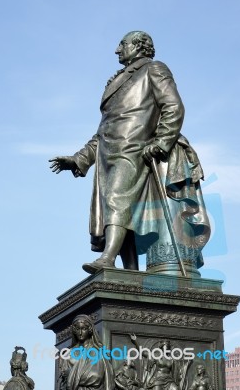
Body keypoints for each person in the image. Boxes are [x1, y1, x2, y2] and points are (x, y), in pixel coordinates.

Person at [49, 31, 210, 275]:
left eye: (122, 44)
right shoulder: (119, 79)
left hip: (135, 147)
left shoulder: (154, 69)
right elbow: (103, 130)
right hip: (109, 153)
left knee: (117, 199)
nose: (117, 49)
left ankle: (107, 258)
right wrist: (79, 159)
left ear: (139, 46)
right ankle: (130, 271)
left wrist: (162, 141)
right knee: (115, 209)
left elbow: (173, 106)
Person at [61, 314, 114, 390]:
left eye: (84, 329)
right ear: (74, 331)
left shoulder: (99, 353)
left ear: (89, 330)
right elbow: (63, 384)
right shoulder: (68, 354)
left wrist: (71, 375)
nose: (80, 332)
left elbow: (96, 377)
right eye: (77, 329)